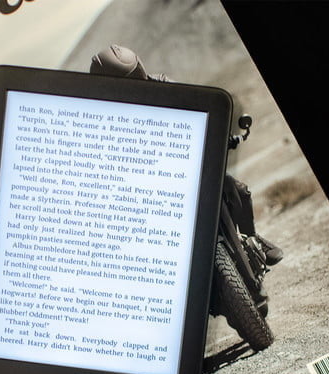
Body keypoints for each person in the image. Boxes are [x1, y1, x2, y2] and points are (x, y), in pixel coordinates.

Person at [89, 45, 283, 265]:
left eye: (134, 75)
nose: (133, 84)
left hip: (184, 164)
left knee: (235, 188)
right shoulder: (103, 117)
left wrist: (221, 134)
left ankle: (253, 238)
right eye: (125, 81)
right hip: (148, 186)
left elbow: (199, 107)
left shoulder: (163, 86)